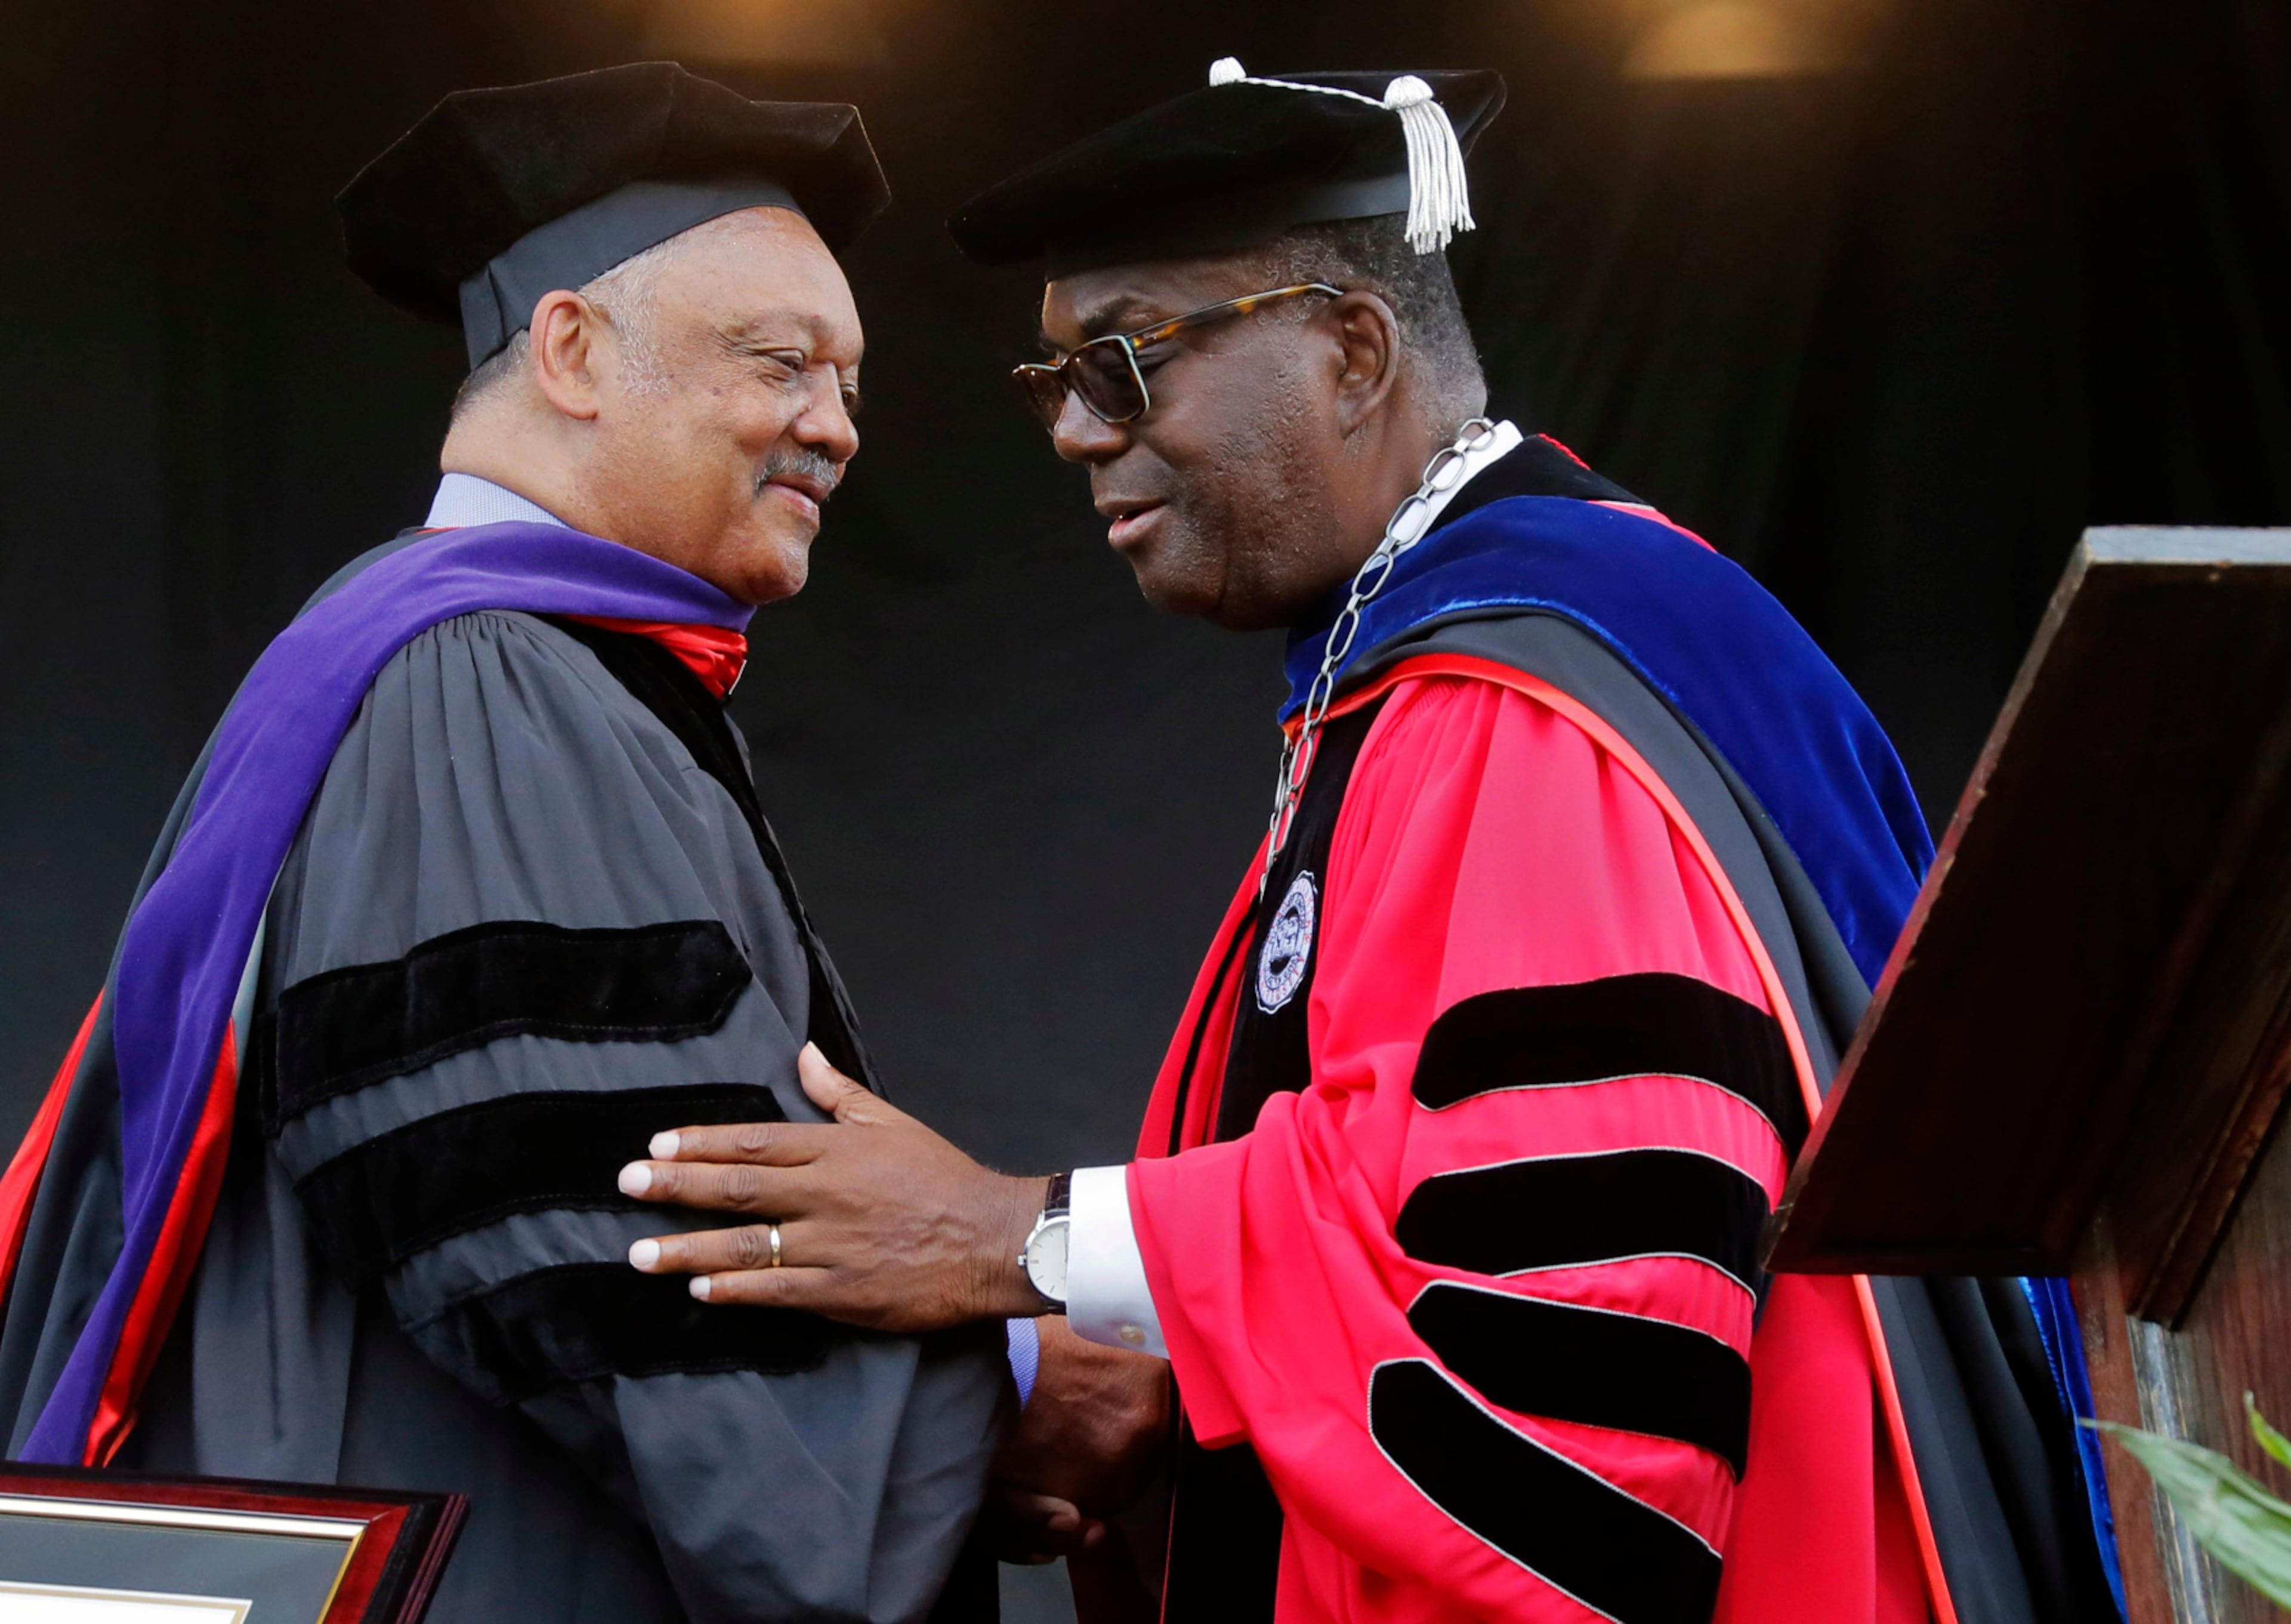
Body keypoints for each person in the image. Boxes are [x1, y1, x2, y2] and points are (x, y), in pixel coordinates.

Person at [617, 59, 2125, 1624]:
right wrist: (1157, 1377)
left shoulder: (1531, 708)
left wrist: (1012, 1235)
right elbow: (1395, 1215)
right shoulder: (1417, 669)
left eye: (1123, 363)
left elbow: (1565, 1319)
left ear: (1350, 350)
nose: (1072, 429)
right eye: (1051, 378)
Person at [0, 63, 1006, 1624]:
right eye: (783, 363)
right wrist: (1001, 1390)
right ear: (572, 350)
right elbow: (611, 1233)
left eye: (852, 384)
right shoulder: (485, 683)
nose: (834, 425)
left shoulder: (451, 661)